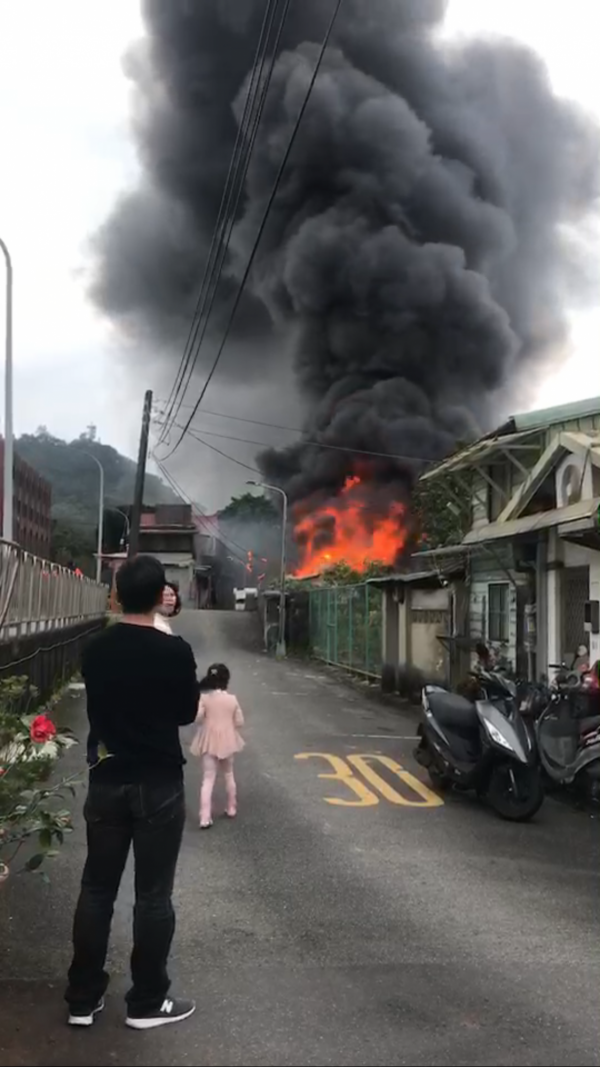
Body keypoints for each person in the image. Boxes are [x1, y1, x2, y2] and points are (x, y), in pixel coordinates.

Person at [66, 555, 199, 1031]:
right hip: (159, 782)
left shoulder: (95, 649)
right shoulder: (176, 651)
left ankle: (82, 998)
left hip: (106, 778)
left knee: (96, 889)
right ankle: (146, 1002)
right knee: (153, 895)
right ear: (161, 595)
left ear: (117, 595)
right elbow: (186, 714)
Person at [190, 663, 244, 829]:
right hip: (227, 740)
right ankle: (231, 807)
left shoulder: (205, 699)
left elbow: (198, 718)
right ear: (227, 679)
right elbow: (240, 722)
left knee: (208, 778)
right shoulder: (232, 700)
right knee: (228, 774)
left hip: (208, 741)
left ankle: (205, 816)